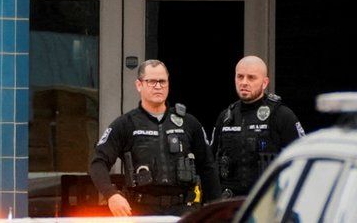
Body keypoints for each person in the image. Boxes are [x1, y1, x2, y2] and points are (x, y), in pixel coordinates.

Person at [90, 59, 221, 216]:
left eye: (162, 81)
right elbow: (98, 162)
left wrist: (216, 210)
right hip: (141, 211)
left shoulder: (188, 123)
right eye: (151, 81)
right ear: (139, 85)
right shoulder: (126, 124)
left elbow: (208, 168)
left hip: (183, 210)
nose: (158, 86)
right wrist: (111, 195)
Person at [211, 55, 304, 198]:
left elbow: (301, 160)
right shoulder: (225, 118)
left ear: (265, 82)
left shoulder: (282, 115)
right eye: (240, 77)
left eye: (251, 78)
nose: (244, 82)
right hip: (229, 203)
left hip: (267, 202)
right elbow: (210, 162)